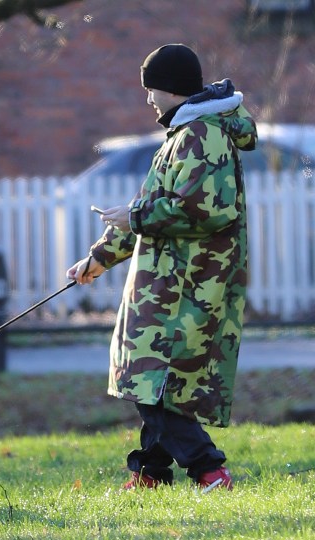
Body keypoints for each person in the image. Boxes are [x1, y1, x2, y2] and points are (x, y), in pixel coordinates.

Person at [67, 44, 257, 491]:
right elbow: (154, 206)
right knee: (154, 380)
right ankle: (150, 474)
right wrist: (97, 259)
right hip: (166, 283)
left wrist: (133, 216)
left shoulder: (201, 136)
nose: (147, 97)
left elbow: (206, 210)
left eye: (150, 88)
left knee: (152, 380)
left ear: (169, 88)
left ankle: (208, 469)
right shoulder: (182, 133)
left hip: (188, 285)